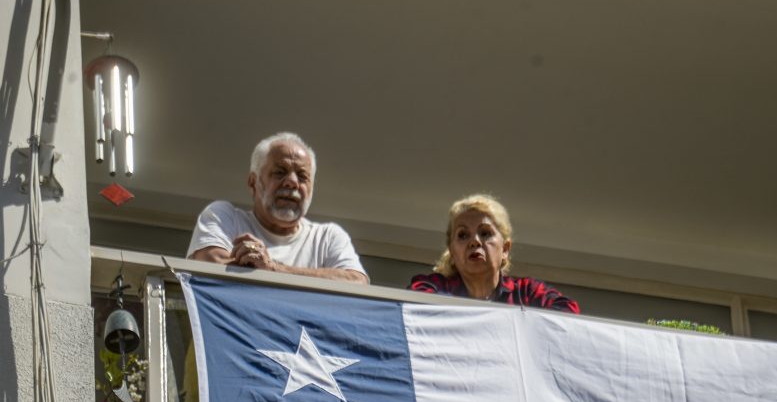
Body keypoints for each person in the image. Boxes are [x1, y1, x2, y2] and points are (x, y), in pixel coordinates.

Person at [187, 132, 369, 283]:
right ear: (253, 183)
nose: (291, 182)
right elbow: (210, 267)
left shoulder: (327, 237)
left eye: (302, 176)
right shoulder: (224, 217)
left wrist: (273, 268)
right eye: (280, 172)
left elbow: (356, 282)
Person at [408, 194, 580, 313]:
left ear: (505, 249)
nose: (474, 241)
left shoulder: (526, 292)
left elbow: (568, 312)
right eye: (462, 235)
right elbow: (413, 305)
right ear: (452, 252)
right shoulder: (433, 286)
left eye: (485, 233)